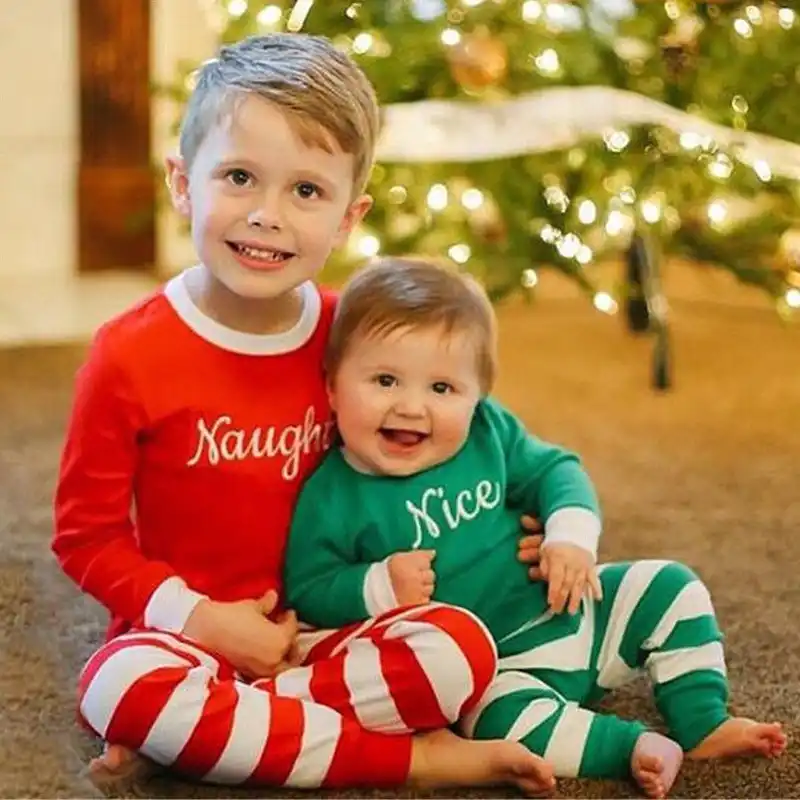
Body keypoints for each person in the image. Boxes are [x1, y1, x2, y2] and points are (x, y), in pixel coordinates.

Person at [51, 34, 557, 796]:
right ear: (183, 184)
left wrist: (531, 516)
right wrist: (200, 622)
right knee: (118, 689)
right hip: (186, 636)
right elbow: (84, 536)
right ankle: (410, 759)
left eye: (307, 191)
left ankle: (236, 730)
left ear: (351, 216)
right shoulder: (127, 355)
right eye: (240, 177)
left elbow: (457, 429)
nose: (267, 216)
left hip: (338, 627)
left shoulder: (350, 337)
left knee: (461, 650)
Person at [284, 256, 788, 799]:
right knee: (507, 727)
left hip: (571, 605)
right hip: (497, 669)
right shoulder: (332, 495)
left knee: (671, 586)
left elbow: (557, 471)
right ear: (333, 387)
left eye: (442, 388)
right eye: (384, 380)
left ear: (478, 396)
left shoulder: (486, 433)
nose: (411, 406)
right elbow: (308, 586)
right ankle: (626, 746)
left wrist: (568, 537)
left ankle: (703, 720)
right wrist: (377, 585)